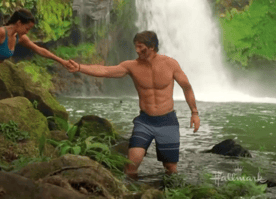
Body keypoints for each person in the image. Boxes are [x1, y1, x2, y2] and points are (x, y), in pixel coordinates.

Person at [66, 30, 200, 178]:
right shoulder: (132, 66)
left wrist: (194, 113)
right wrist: (79, 67)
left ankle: (167, 192)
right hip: (145, 121)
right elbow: (105, 70)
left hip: (167, 120)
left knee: (170, 167)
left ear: (152, 46)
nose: (137, 51)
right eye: (135, 46)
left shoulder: (170, 64)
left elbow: (186, 87)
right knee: (131, 165)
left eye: (140, 47)